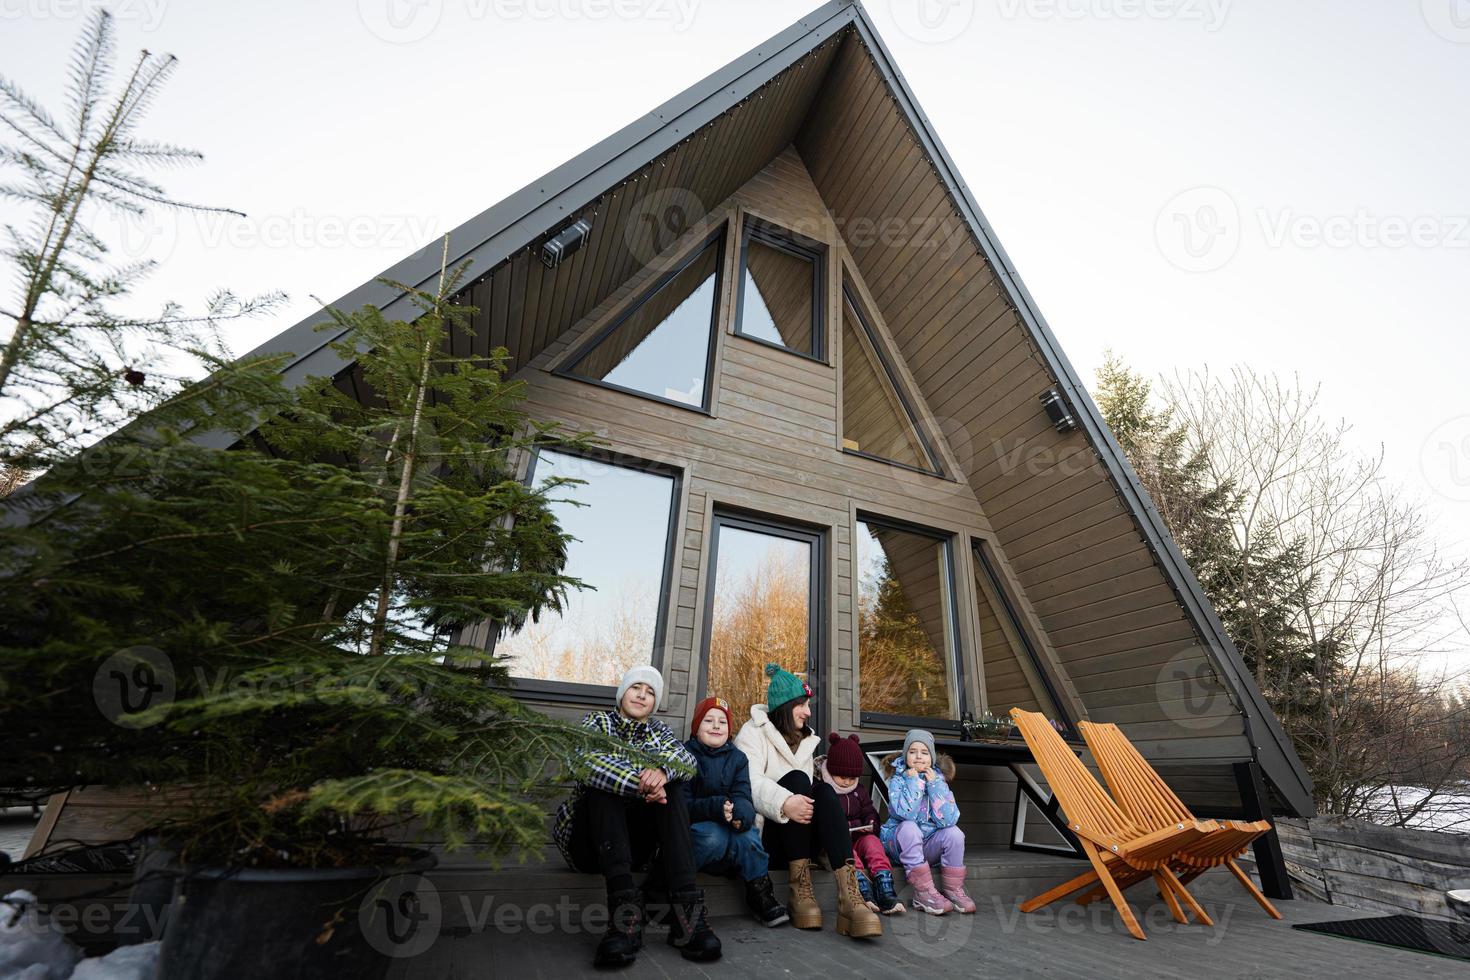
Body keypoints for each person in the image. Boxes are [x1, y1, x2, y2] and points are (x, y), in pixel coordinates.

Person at [552, 666, 722, 967]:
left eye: (651, 692)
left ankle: (687, 916)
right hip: (591, 845)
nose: (643, 695)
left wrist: (660, 774)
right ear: (622, 694)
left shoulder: (660, 731)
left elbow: (686, 760)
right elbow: (584, 761)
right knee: (602, 787)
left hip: (636, 847)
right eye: (636, 688)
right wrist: (640, 785)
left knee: (673, 786)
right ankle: (624, 918)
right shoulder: (598, 722)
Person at [732, 663, 882, 939]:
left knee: (824, 791)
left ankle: (849, 896)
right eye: (802, 704)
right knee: (799, 782)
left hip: (802, 837)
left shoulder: (805, 740)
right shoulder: (752, 733)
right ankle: (799, 889)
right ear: (785, 706)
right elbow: (747, 782)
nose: (808, 712)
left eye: (808, 705)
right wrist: (783, 802)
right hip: (769, 838)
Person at [682, 695, 790, 927]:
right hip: (700, 833)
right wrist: (715, 807)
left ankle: (760, 894)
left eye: (722, 722)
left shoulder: (737, 758)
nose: (716, 726)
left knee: (749, 835)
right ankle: (674, 887)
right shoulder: (686, 755)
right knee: (714, 835)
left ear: (729, 729)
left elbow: (742, 793)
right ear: (696, 727)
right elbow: (682, 803)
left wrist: (742, 813)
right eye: (708, 720)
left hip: (730, 833)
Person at [878, 728, 975, 915]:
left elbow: (948, 820)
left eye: (924, 752)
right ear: (906, 756)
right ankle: (922, 892)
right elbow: (904, 813)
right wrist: (914, 782)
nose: (918, 757)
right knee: (909, 827)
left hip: (927, 845)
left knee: (954, 833)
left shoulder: (938, 780)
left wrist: (935, 786)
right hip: (901, 845)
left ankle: (953, 890)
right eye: (912, 752)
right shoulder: (899, 779)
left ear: (931, 757)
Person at [818, 732, 904, 915]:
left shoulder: (859, 790)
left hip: (859, 836)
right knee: (851, 854)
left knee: (873, 844)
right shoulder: (824, 790)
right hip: (839, 844)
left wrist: (871, 823)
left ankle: (885, 887)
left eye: (852, 778)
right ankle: (862, 890)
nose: (847, 782)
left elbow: (869, 811)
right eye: (842, 777)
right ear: (831, 771)